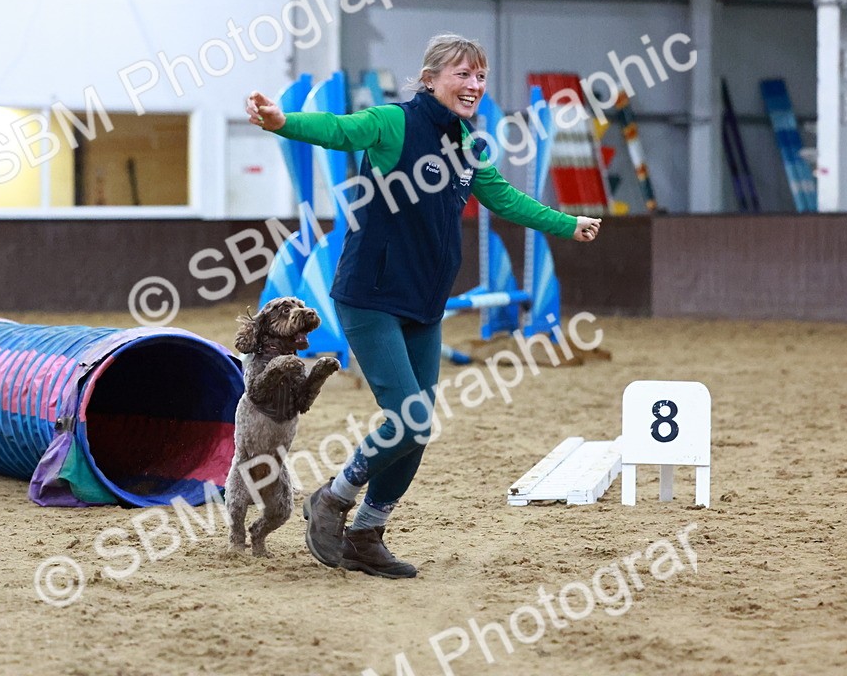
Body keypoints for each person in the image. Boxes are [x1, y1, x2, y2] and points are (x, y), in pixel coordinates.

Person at [245, 34, 601, 579]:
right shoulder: (393, 122)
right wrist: (281, 122)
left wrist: (566, 223)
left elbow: (503, 197)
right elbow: (339, 131)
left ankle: (366, 532)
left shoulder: (470, 143)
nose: (475, 85)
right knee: (409, 420)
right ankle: (333, 500)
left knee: (418, 427)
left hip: (424, 305)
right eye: (463, 74)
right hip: (371, 297)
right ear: (430, 78)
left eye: (481, 76)